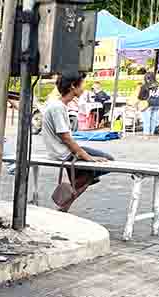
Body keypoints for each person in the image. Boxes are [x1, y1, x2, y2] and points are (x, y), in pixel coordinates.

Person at [42, 73, 113, 211]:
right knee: (106, 162)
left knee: (92, 170)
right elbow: (66, 137)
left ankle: (72, 191)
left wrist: (85, 155)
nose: (84, 88)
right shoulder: (57, 107)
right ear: (73, 86)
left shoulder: (60, 105)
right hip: (62, 152)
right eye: (82, 84)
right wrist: (86, 156)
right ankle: (65, 203)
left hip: (63, 150)